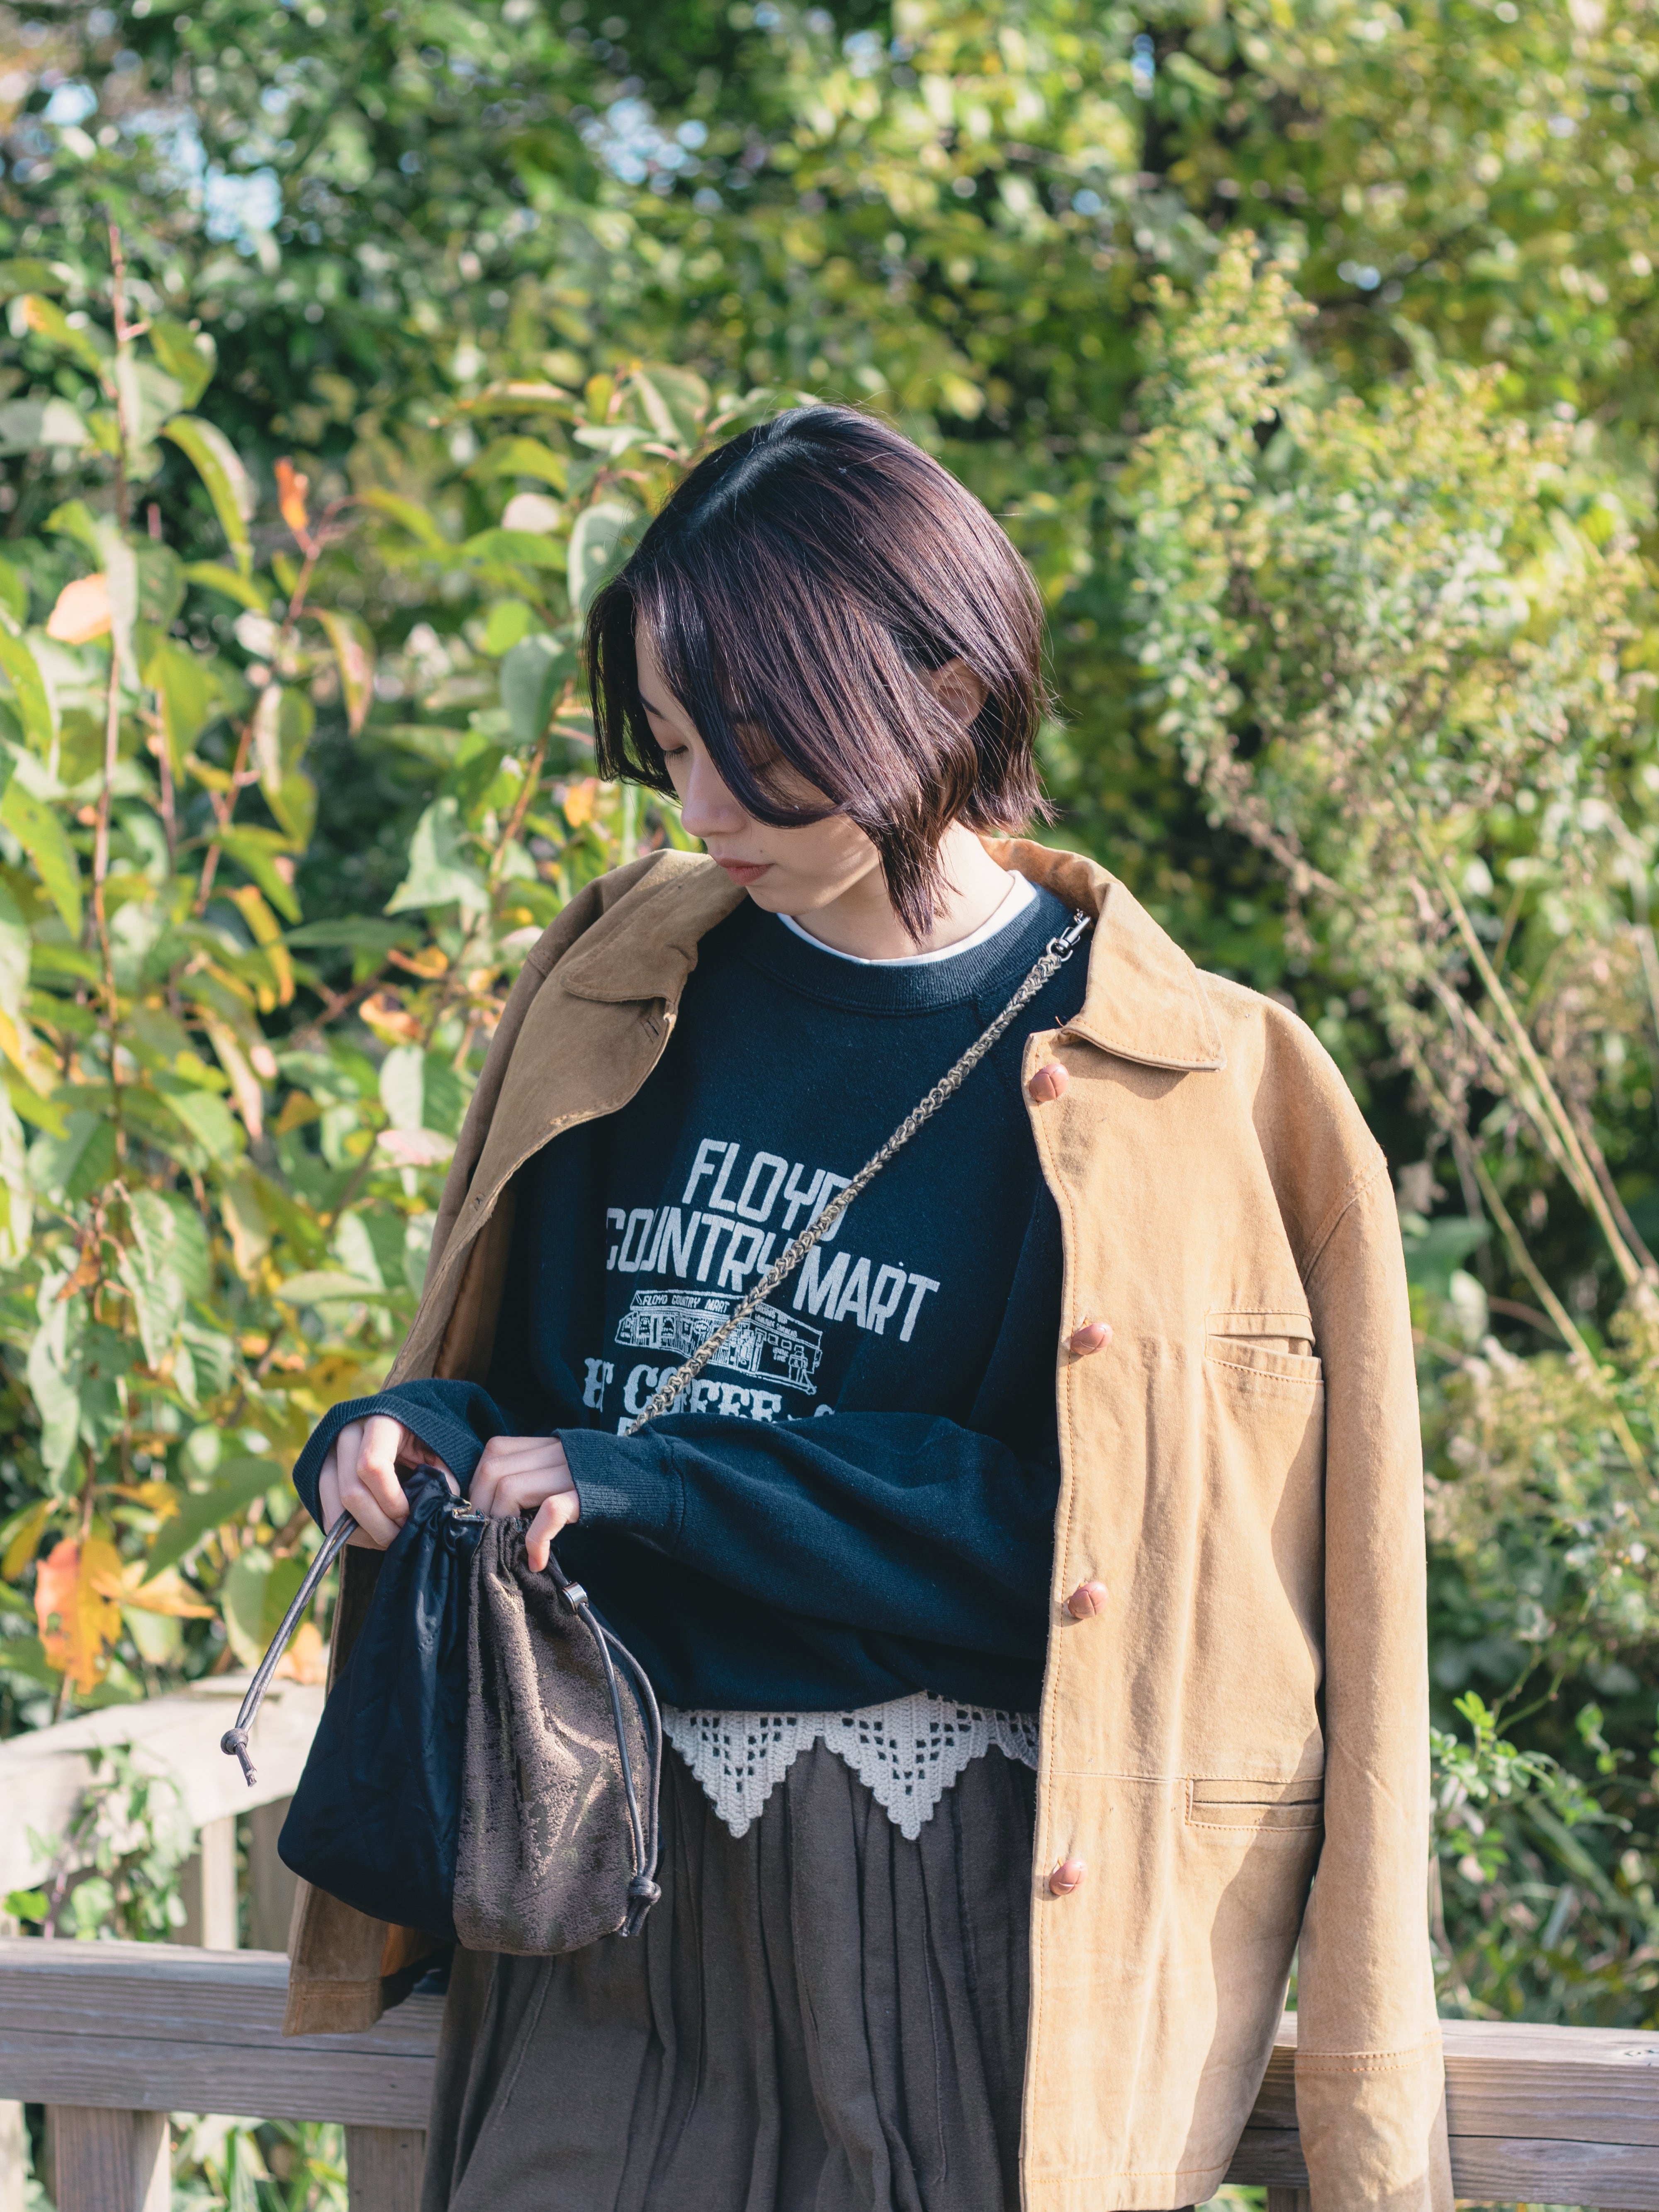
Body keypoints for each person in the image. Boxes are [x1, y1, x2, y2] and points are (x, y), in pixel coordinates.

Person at [284, 407, 1451, 2212]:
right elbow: (535, 1390)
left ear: (946, 690)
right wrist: (407, 1438)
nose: (704, 809)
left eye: (759, 750)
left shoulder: (1190, 1082)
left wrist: (664, 1484)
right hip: (585, 1896)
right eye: (674, 746)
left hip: (933, 1925)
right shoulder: (622, 977)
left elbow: (1106, 1563)